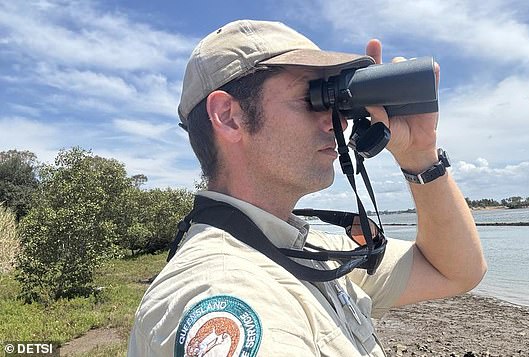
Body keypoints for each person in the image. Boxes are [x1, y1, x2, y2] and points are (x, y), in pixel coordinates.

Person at [128, 19, 487, 356]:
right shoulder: (222, 290)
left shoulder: (308, 253)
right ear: (228, 116)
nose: (338, 123)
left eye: (332, 101)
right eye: (311, 97)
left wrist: (419, 156)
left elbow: (455, 271)